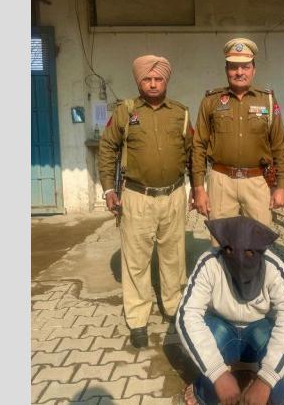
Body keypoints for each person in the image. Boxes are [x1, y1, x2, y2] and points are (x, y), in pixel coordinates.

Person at [98, 55, 192, 348]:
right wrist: (108, 190)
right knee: (136, 261)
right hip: (137, 196)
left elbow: (193, 152)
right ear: (139, 82)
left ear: (166, 81)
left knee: (174, 257)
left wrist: (198, 188)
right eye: (147, 79)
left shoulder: (181, 113)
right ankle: (138, 318)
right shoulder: (125, 112)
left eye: (158, 79)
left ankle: (173, 307)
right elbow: (107, 149)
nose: (153, 84)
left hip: (174, 195)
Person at [176, 216, 284, 405]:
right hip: (222, 325)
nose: (241, 261)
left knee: (277, 397)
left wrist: (266, 379)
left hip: (258, 327)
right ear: (223, 247)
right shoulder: (210, 262)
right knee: (207, 394)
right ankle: (205, 386)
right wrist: (217, 374)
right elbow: (188, 314)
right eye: (230, 251)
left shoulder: (273, 265)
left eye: (250, 253)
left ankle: (271, 381)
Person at [192, 38, 284, 229]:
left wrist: (282, 186)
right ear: (226, 70)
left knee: (258, 239)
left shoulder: (267, 100)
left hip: (257, 181)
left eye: (245, 67)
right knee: (221, 239)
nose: (239, 72)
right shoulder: (211, 101)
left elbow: (279, 146)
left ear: (254, 70)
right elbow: (198, 145)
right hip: (220, 181)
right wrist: (199, 188)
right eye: (233, 67)